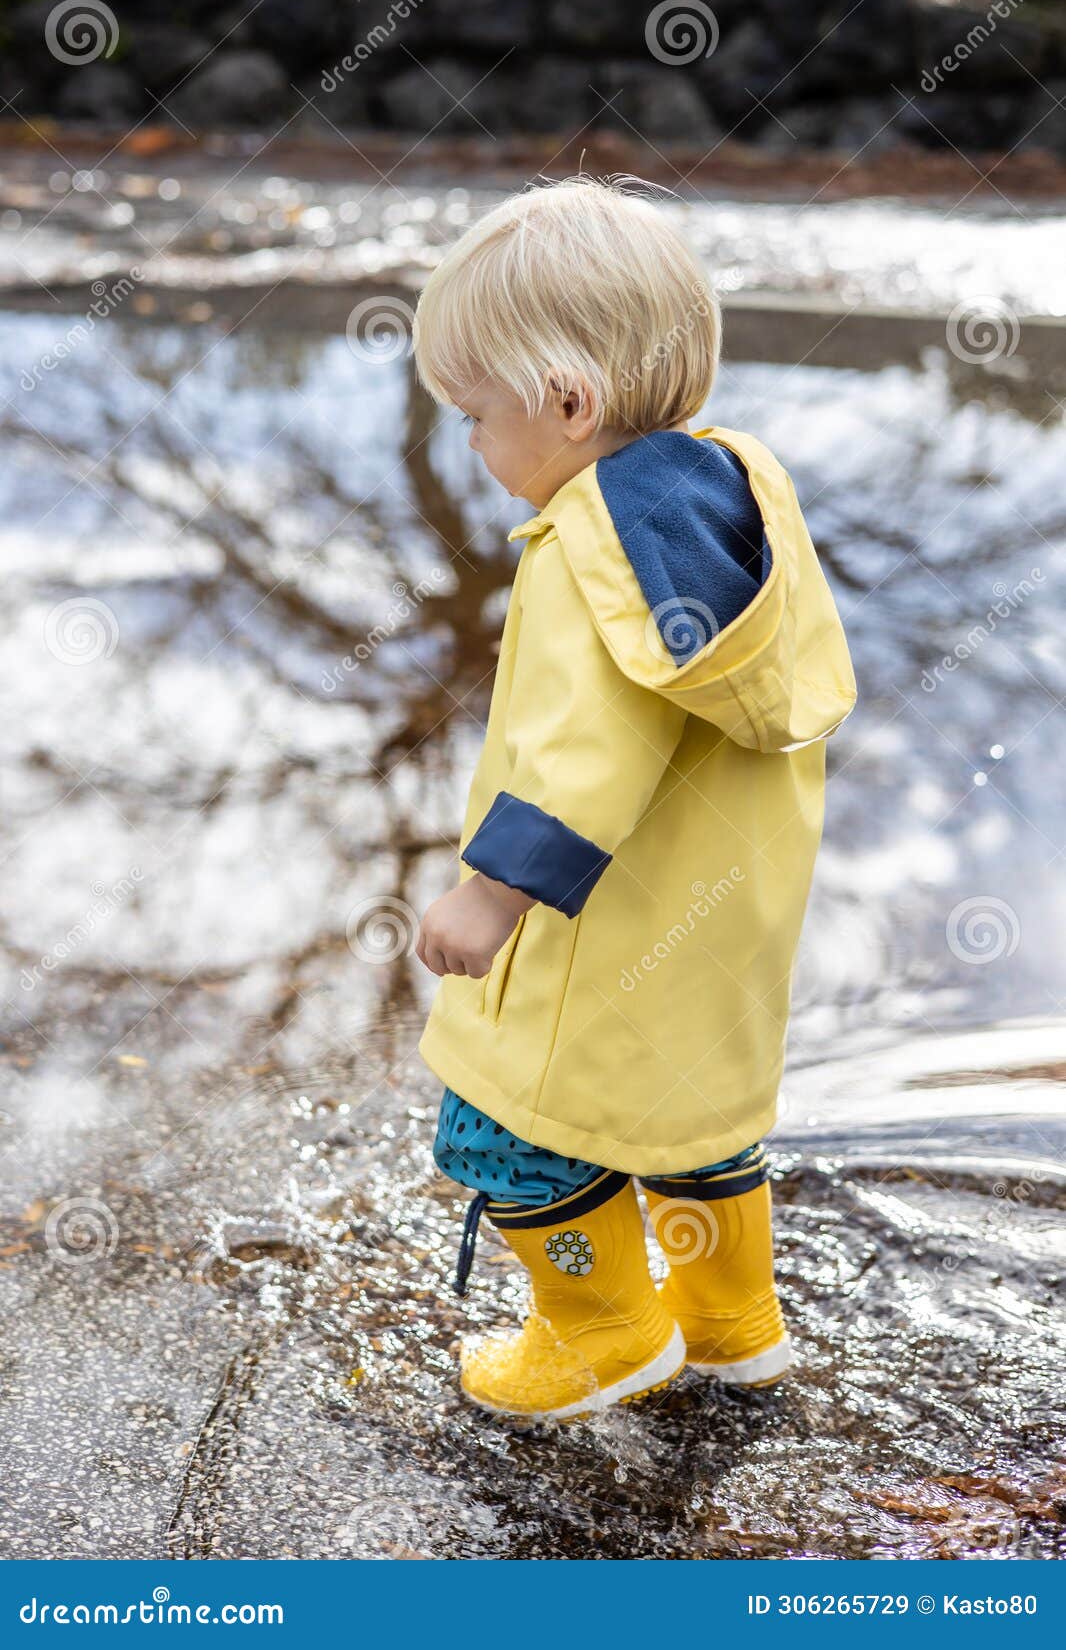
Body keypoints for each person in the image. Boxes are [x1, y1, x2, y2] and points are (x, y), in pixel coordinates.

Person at [411, 177, 856, 1422]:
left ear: (567, 400)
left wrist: (491, 893)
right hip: (716, 929)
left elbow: (579, 749)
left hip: (596, 933)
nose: (471, 442)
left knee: (506, 1131)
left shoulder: (587, 550)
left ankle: (600, 1333)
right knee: (694, 1125)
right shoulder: (734, 501)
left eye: (474, 413)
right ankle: (732, 1325)